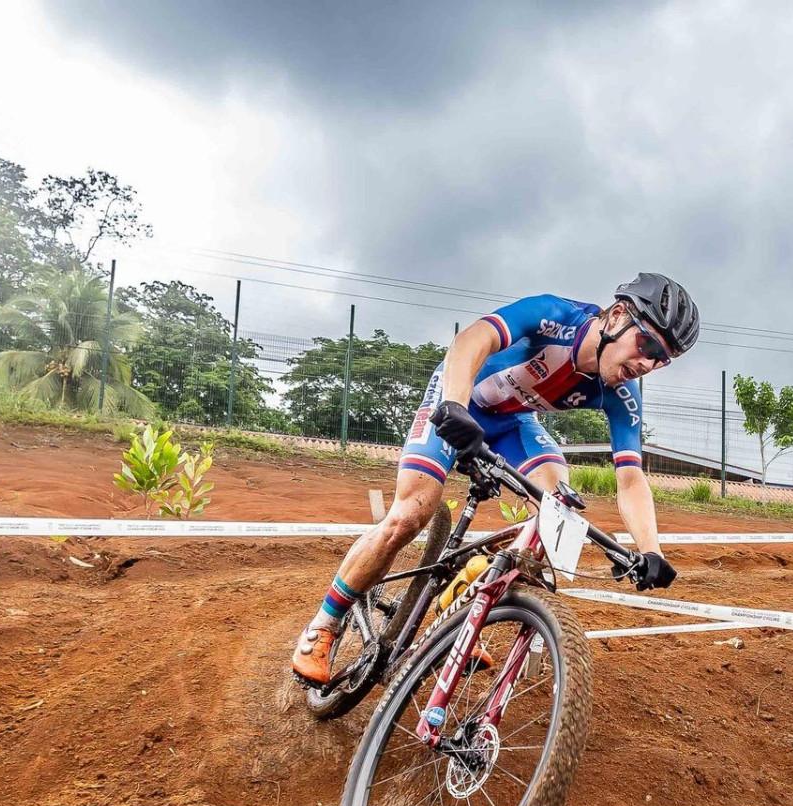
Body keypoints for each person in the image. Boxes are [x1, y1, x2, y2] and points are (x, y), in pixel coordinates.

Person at [291, 272, 698, 684]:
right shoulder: (555, 316)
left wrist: (651, 550)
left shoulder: (623, 393)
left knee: (555, 514)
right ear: (616, 317)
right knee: (411, 513)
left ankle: (457, 610)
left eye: (661, 360)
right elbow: (471, 341)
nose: (647, 364)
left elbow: (630, 479)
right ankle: (324, 624)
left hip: (513, 421)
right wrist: (453, 405)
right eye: (646, 345)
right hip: (460, 395)